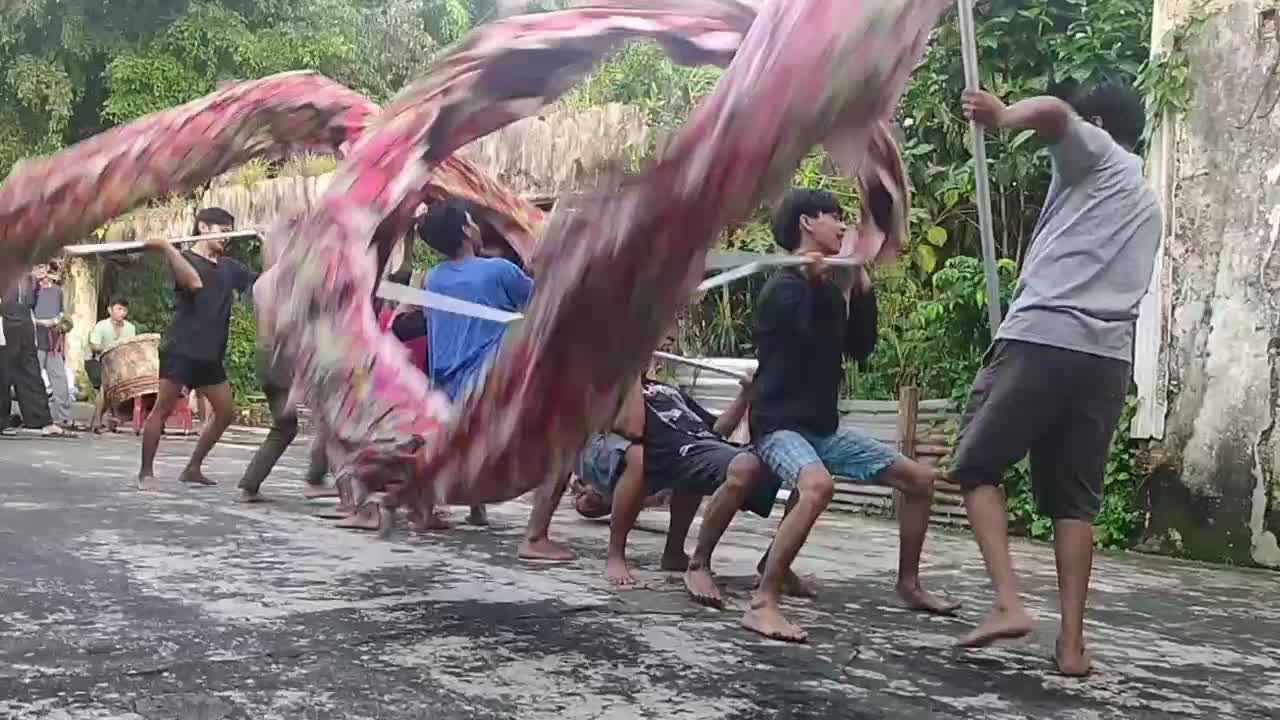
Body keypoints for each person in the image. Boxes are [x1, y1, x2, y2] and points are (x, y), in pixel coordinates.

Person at [953, 80, 1159, 676]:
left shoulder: (1098, 154)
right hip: (1106, 359)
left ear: (1100, 124)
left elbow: (1053, 113)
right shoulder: (1147, 202)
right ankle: (1071, 647)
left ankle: (1008, 603)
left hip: (1044, 337)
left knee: (975, 466)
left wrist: (1000, 114)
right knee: (1074, 505)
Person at [747, 187, 956, 643]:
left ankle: (908, 584)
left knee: (920, 480)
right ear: (807, 222)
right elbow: (799, 341)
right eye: (833, 216)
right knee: (817, 486)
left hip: (822, 428)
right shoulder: (781, 287)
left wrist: (859, 285)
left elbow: (860, 348)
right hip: (778, 424)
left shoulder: (828, 285)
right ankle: (762, 603)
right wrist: (814, 285)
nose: (842, 225)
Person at [418, 197, 573, 560]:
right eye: (472, 221)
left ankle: (449, 510)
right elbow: (544, 306)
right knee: (562, 445)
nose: (477, 226)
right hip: (490, 384)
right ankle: (536, 537)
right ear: (466, 230)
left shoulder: (433, 278)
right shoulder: (498, 270)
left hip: (446, 385)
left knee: (457, 446)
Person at [580, 364, 780, 607]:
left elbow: (717, 430)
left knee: (785, 466)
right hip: (667, 451)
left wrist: (745, 395)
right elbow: (632, 429)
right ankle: (691, 564)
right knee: (743, 467)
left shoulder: (668, 390)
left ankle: (676, 553)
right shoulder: (615, 390)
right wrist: (631, 378)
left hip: (698, 446)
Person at [138, 207, 256, 491]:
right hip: (181, 349)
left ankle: (192, 468)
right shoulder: (185, 260)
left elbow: (265, 281)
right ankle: (146, 473)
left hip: (210, 354)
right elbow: (193, 283)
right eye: (222, 230)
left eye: (230, 231)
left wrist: (268, 242)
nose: (226, 237)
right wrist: (166, 248)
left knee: (225, 412)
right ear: (203, 228)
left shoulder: (230, 267)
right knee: (162, 409)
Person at [0, 266, 68, 436]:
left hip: (25, 326)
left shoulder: (32, 281)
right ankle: (2, 421)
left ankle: (40, 420)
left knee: (31, 373)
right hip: (3, 323)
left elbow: (32, 304)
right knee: (3, 373)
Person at [32, 263, 75, 429]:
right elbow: (25, 314)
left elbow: (64, 314)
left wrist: (57, 322)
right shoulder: (30, 291)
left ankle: (65, 418)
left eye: (43, 267)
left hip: (53, 343)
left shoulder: (58, 291)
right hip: (34, 341)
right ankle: (35, 417)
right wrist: (41, 322)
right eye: (38, 267)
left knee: (60, 380)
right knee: (33, 380)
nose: (41, 271)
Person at [88, 298, 137, 433]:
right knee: (107, 383)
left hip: (120, 364)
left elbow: (131, 348)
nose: (122, 312)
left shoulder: (130, 328)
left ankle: (99, 420)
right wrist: (111, 347)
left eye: (124, 310)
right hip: (98, 362)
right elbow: (94, 346)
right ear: (110, 310)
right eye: (119, 309)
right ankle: (98, 419)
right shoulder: (101, 325)